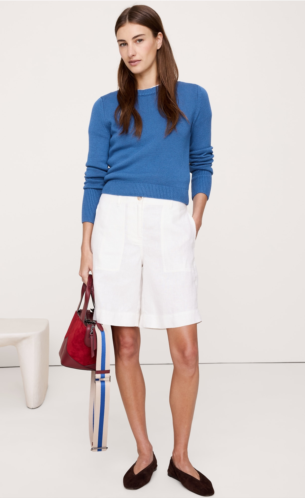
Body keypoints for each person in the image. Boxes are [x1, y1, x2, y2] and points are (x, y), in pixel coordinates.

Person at [79, 5, 215, 496]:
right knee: (127, 346)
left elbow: (202, 161)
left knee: (187, 350)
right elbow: (94, 176)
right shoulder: (107, 107)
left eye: (138, 39)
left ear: (159, 39)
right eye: (122, 43)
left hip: (168, 223)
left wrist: (193, 219)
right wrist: (86, 245)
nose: (130, 51)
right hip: (115, 222)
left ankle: (181, 457)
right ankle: (144, 451)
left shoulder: (193, 98)